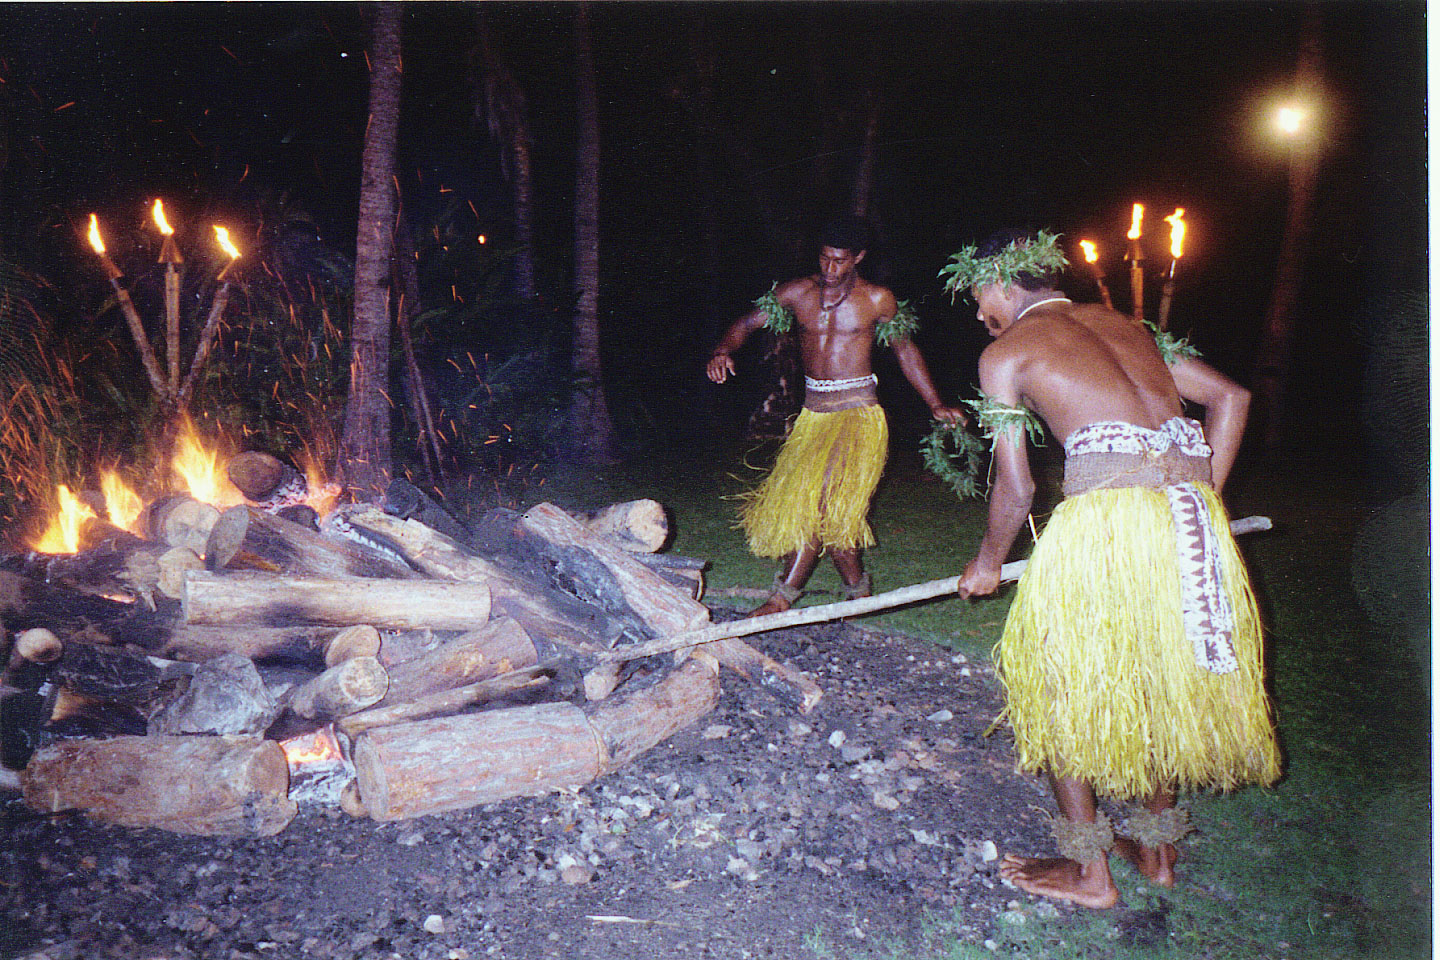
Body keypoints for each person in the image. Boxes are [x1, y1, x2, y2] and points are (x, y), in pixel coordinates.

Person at [948, 229, 1280, 909]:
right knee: (1161, 671)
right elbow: (1232, 398)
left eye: (977, 293)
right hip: (1188, 523)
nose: (979, 310)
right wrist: (1202, 495)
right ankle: (1157, 852)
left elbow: (1016, 489)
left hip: (1106, 528)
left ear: (1002, 282)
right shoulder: (1132, 329)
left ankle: (1090, 873)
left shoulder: (1005, 352)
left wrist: (986, 563)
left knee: (1056, 683)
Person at [708, 216, 965, 617]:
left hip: (858, 415)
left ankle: (781, 598)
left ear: (858, 257)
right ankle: (859, 593)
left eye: (840, 261)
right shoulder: (797, 293)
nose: (830, 269)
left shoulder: (877, 299)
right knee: (832, 514)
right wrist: (723, 349)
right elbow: (745, 323)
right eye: (825, 258)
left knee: (821, 505)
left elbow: (904, 350)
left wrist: (935, 403)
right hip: (813, 416)